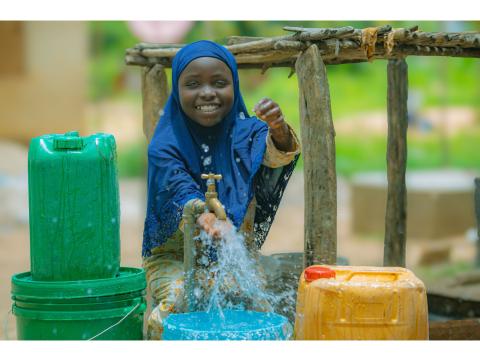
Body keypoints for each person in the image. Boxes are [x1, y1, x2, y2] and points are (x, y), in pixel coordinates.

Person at [142, 40, 301, 339]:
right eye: (192, 84)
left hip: (232, 253)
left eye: (219, 83)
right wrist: (204, 216)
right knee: (179, 300)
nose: (207, 93)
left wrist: (277, 127)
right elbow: (179, 188)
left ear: (235, 86)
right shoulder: (165, 146)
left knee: (258, 309)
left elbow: (277, 154)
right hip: (173, 258)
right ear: (177, 90)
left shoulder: (248, 132)